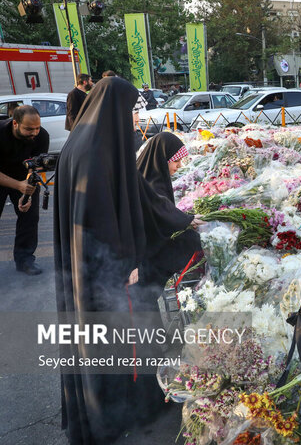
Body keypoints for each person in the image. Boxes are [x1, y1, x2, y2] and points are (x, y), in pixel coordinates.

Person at [54, 77, 198, 444]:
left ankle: (124, 407)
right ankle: (114, 417)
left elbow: (134, 198)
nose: (136, 118)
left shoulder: (85, 143)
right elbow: (102, 216)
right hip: (106, 272)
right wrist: (125, 263)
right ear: (115, 109)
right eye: (132, 110)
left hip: (87, 267)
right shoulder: (95, 152)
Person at [136, 132, 203, 290]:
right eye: (176, 161)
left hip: (148, 250)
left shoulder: (150, 173)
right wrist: (187, 220)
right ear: (161, 158)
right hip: (148, 255)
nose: (179, 166)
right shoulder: (152, 183)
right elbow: (158, 209)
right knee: (193, 241)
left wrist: (185, 219)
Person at [0, 105, 48, 275]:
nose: (34, 132)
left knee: (29, 216)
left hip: (23, 177)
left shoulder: (41, 136)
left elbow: (36, 167)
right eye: (29, 129)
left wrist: (26, 192)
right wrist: (17, 185)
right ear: (15, 123)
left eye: (37, 127)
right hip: (2, 176)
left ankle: (25, 260)